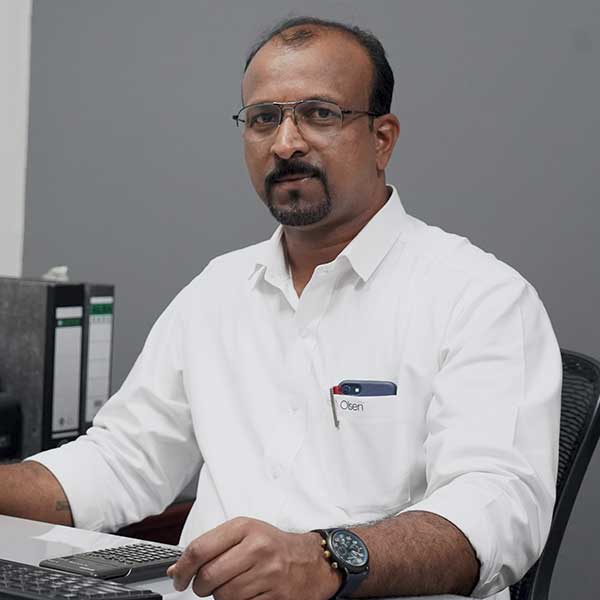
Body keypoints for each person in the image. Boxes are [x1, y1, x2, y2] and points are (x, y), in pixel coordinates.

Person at [0, 16, 561, 600]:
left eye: (319, 113)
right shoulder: (218, 290)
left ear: (382, 139)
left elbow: (498, 507)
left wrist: (326, 559)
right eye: (264, 118)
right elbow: (123, 459)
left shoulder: (481, 296)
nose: (286, 143)